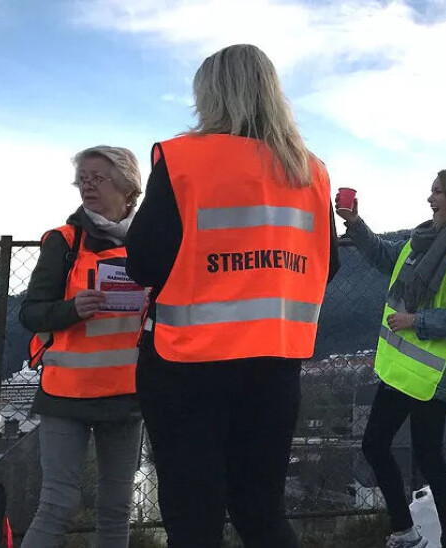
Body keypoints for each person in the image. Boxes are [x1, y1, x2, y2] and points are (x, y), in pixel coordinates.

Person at [125, 44, 340, 547]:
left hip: (185, 366)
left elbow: (143, 262)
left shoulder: (183, 159)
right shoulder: (310, 172)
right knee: (262, 512)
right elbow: (328, 265)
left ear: (212, 95)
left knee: (194, 518)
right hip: (275, 364)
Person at [337, 169, 446, 548]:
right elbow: (385, 257)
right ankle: (405, 531)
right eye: (431, 191)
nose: (430, 198)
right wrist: (355, 223)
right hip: (402, 372)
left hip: (433, 376)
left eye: (438, 191)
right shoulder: (422, 241)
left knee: (429, 458)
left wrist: (417, 320)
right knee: (375, 447)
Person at [20, 146, 144, 548]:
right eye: (83, 179)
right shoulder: (64, 242)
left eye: (98, 178)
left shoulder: (149, 244)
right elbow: (31, 314)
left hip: (126, 395)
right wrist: (72, 309)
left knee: (116, 508)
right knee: (57, 504)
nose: (88, 186)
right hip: (66, 394)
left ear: (128, 188)